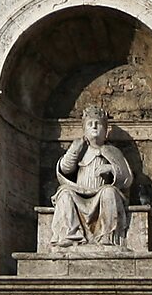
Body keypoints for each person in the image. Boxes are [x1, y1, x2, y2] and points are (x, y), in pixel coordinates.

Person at [50, 105, 133, 247]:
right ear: (84, 130)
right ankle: (70, 234)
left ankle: (106, 235)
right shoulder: (79, 149)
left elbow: (127, 179)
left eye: (98, 124)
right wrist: (73, 151)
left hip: (100, 194)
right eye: (90, 124)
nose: (94, 126)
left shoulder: (112, 151)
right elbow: (65, 169)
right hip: (79, 193)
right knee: (64, 193)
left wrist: (111, 168)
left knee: (109, 192)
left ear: (105, 131)